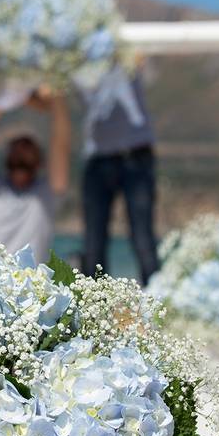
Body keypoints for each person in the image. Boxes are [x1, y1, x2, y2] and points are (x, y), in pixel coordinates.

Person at [0, 86, 70, 263]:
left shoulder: (47, 194)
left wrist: (56, 94)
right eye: (18, 147)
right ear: (7, 156)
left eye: (28, 147)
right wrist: (12, 96)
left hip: (27, 287)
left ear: (40, 161)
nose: (22, 151)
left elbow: (61, 143)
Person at [81, 64, 159, 284]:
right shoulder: (74, 57)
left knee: (143, 239)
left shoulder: (124, 52)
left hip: (135, 155)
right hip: (97, 157)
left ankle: (158, 305)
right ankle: (91, 309)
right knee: (93, 243)